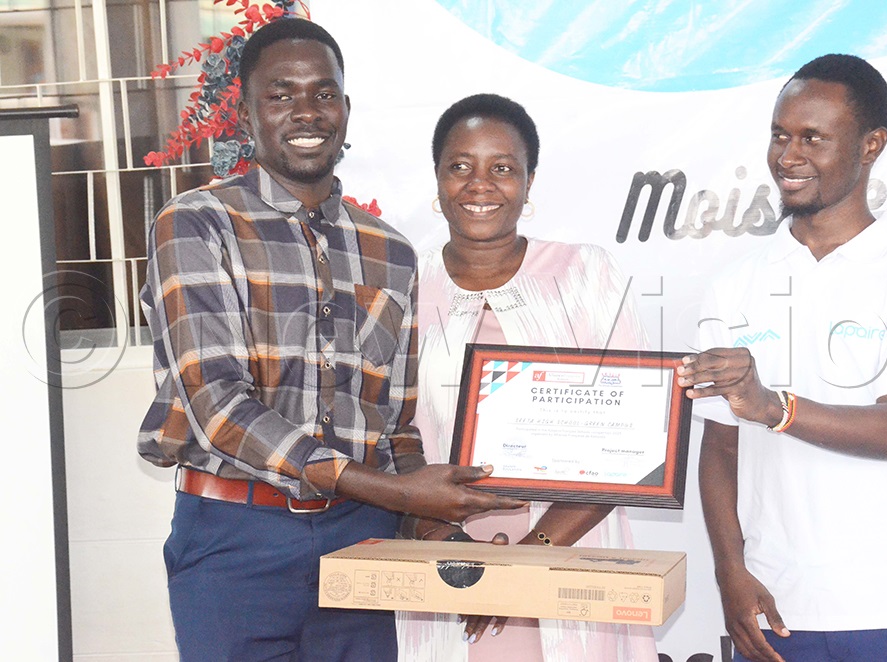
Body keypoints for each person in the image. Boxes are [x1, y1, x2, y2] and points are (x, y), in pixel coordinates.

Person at [137, 19, 524, 662]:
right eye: (281, 94)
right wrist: (397, 493)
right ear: (247, 111)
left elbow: (394, 427)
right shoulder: (197, 223)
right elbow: (218, 405)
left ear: (345, 108)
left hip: (361, 542)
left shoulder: (392, 251)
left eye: (323, 93)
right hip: (236, 540)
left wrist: (438, 531)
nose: (306, 112)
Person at [677, 54, 887, 661]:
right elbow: (720, 447)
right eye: (780, 135)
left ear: (872, 145)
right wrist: (730, 576)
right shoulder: (733, 284)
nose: (789, 156)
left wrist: (772, 406)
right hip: (778, 610)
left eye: (813, 137)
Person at [394, 93, 659, 662]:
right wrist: (446, 540)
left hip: (572, 556)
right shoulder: (401, 288)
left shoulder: (587, 273)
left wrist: (527, 561)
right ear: (437, 179)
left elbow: (628, 440)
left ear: (530, 180)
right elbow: (388, 434)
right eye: (459, 166)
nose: (479, 184)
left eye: (503, 168)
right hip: (447, 569)